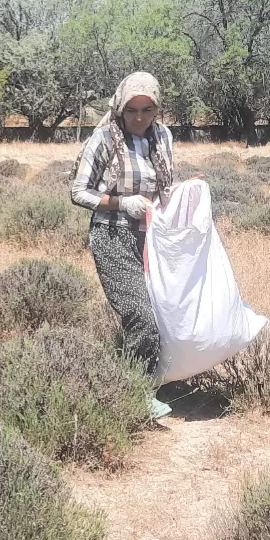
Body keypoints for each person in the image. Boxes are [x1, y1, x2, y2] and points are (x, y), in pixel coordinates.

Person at [69, 72, 176, 420]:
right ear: (120, 108)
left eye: (147, 110)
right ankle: (135, 394)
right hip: (112, 236)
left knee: (164, 311)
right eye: (132, 110)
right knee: (140, 316)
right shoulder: (104, 138)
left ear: (157, 109)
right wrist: (120, 202)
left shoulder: (163, 136)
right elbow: (78, 192)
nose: (140, 118)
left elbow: (165, 186)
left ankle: (159, 377)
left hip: (152, 239)